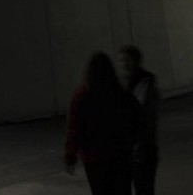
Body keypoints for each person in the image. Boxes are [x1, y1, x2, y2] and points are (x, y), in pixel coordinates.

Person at [64, 51, 141, 195]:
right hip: (120, 154)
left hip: (94, 158)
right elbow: (136, 120)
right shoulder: (121, 94)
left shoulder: (82, 96)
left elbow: (74, 128)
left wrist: (70, 157)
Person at [117, 45, 160, 195]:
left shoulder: (145, 83)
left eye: (127, 60)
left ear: (136, 61)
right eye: (122, 60)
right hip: (129, 147)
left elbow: (145, 117)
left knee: (143, 187)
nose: (124, 64)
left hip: (142, 148)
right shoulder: (124, 83)